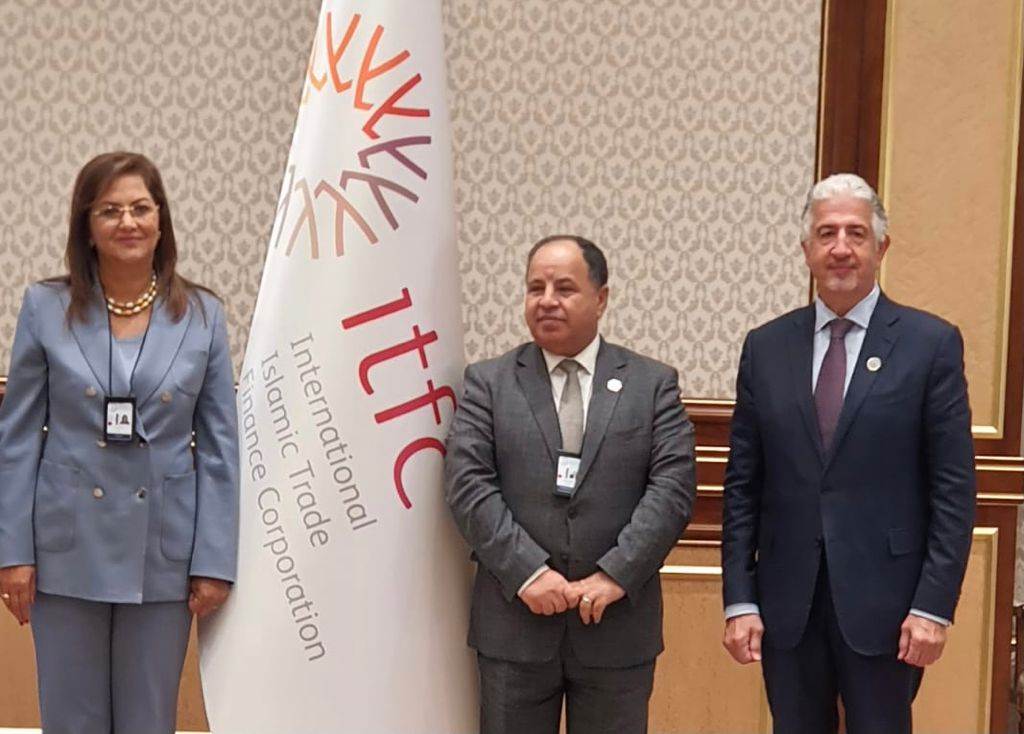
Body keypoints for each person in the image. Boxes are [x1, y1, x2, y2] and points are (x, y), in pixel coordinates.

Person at [720, 173, 976, 734]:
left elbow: (953, 490)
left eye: (856, 234)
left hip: (890, 607)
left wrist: (933, 607)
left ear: (881, 247)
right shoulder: (766, 347)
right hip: (787, 604)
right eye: (826, 233)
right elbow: (742, 485)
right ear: (805, 249)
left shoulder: (930, 344)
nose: (841, 247)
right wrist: (739, 599)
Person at [0, 151, 240, 734]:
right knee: (70, 718)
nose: (127, 222)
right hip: (63, 546)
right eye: (109, 210)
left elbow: (219, 448)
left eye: (140, 208)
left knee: (148, 719)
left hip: (163, 548)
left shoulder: (202, 315)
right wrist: (13, 552)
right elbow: (18, 437)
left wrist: (214, 561)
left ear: (161, 221)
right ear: (87, 225)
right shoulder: (45, 307)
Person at [444, 235, 696, 734]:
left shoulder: (651, 384)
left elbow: (672, 490)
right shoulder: (488, 383)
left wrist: (614, 575)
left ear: (601, 298)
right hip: (514, 625)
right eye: (534, 288)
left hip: (616, 626)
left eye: (564, 288)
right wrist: (527, 573)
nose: (546, 300)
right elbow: (468, 484)